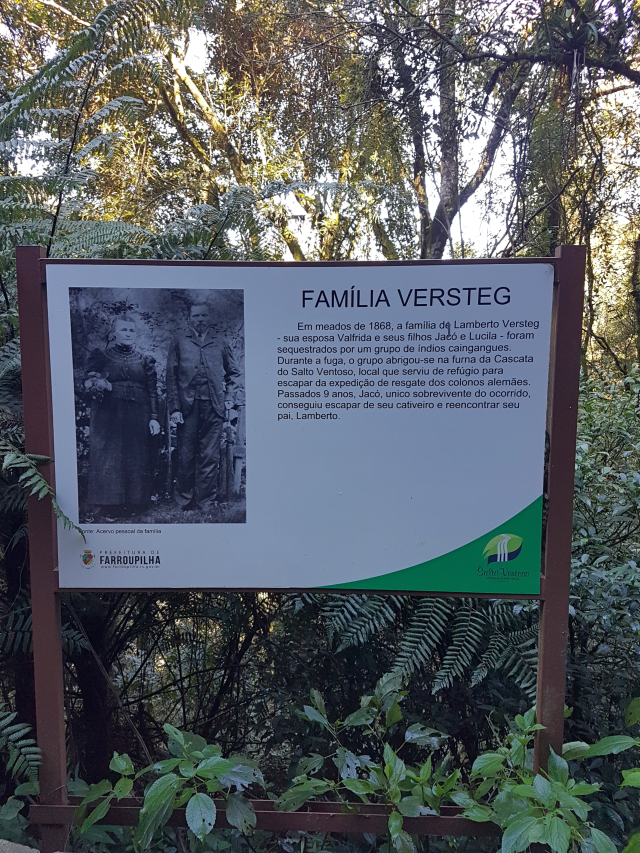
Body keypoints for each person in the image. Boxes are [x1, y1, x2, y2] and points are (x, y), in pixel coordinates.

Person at [165, 300, 242, 511]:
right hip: (187, 407)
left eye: (203, 316)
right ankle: (184, 500)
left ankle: (206, 501)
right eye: (196, 316)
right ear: (189, 317)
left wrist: (229, 397)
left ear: (209, 317)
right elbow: (171, 377)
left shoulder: (220, 342)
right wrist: (175, 409)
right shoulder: (179, 341)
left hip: (214, 406)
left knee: (210, 455)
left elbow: (234, 373)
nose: (200, 319)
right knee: (186, 454)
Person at [84, 314, 160, 519]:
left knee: (137, 457)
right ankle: (111, 505)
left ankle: (137, 503)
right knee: (111, 457)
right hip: (109, 415)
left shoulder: (145, 360)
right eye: (124, 329)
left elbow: (152, 390)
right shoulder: (103, 356)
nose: (128, 333)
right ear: (114, 333)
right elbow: (88, 381)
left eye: (132, 330)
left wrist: (154, 416)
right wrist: (96, 385)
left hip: (139, 414)